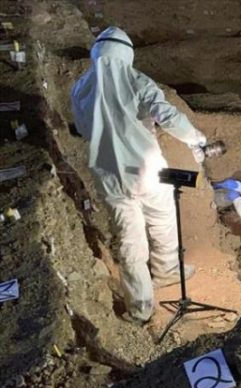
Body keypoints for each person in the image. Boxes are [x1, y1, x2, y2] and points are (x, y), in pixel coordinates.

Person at [71, 27, 207, 325]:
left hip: (109, 174)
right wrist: (196, 138)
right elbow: (167, 116)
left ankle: (141, 306)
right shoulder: (137, 82)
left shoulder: (81, 88)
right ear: (126, 55)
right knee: (163, 218)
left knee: (128, 238)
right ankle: (166, 270)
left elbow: (82, 128)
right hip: (146, 170)